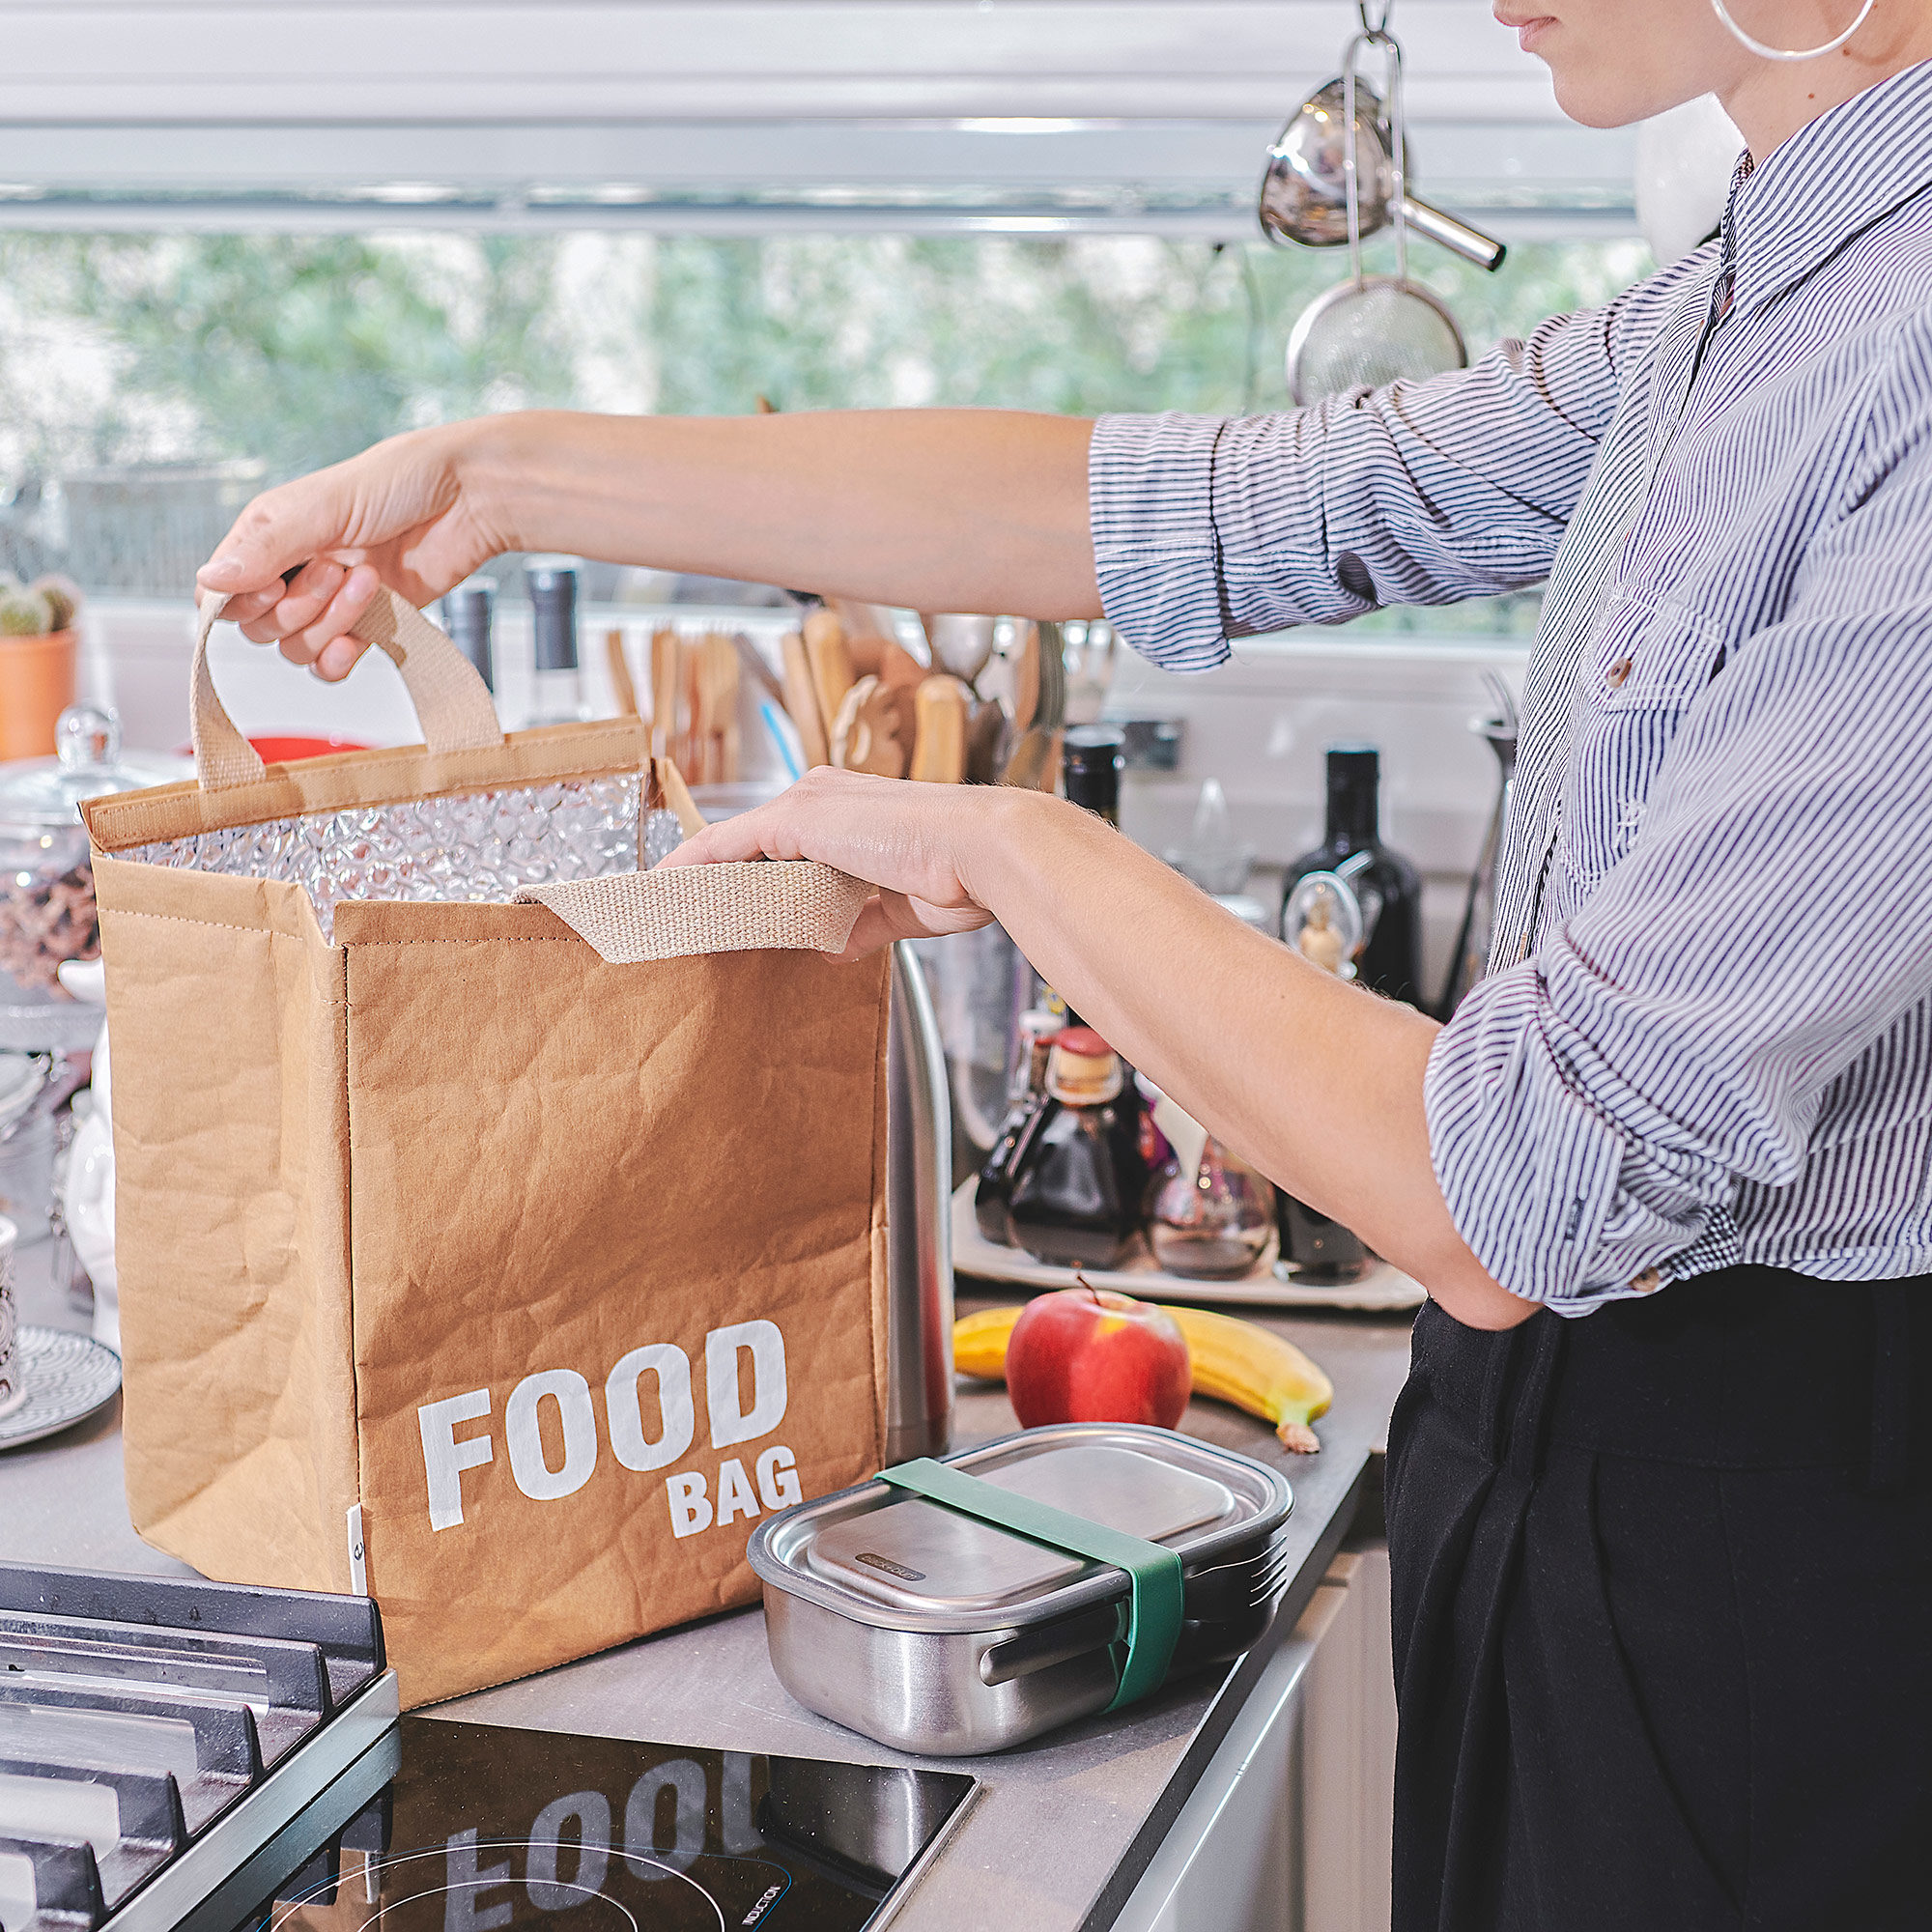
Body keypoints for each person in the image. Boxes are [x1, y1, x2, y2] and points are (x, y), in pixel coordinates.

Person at [199, 1, 1932, 1922]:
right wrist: (497, 484)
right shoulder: (1757, 284)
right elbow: (1204, 503)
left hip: (1785, 1537)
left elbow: (1511, 1180)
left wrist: (1008, 840)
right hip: (1546, 1460)